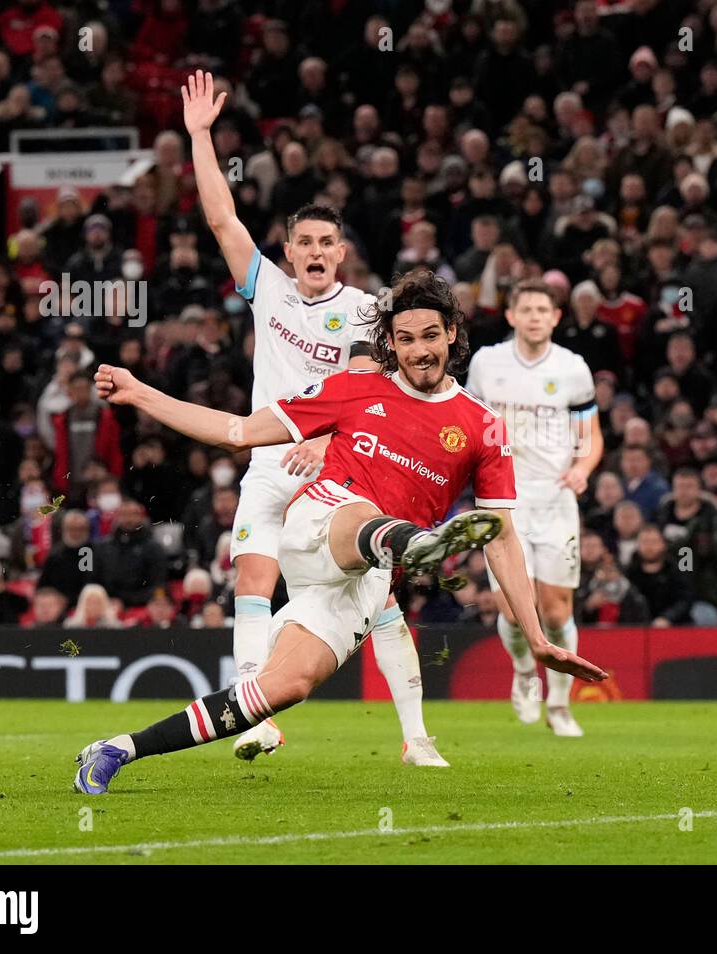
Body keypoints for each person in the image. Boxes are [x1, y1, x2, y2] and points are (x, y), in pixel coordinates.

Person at [74, 267, 606, 794]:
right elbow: (237, 432)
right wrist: (141, 393)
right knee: (364, 517)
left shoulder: (483, 424)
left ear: (451, 334)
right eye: (404, 339)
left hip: (364, 578)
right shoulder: (354, 387)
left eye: (429, 336)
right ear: (390, 345)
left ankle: (117, 750)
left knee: (278, 690)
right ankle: (418, 545)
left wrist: (536, 638)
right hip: (323, 522)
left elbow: (502, 537)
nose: (419, 350)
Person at [180, 71, 442, 767]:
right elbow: (219, 220)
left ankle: (417, 739)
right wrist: (201, 136)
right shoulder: (265, 287)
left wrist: (324, 442)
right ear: (289, 250)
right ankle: (257, 717)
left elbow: (361, 381)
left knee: (379, 600)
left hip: (343, 466)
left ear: (341, 253)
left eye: (330, 242)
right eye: (307, 243)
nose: (319, 252)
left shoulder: (365, 309)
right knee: (252, 581)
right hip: (273, 460)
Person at [466, 279, 603, 737]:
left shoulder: (573, 369)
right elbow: (468, 422)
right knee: (510, 608)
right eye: (526, 309)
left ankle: (561, 704)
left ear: (556, 317)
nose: (535, 317)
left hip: (555, 501)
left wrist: (583, 466)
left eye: (543, 310)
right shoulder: (487, 364)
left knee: (557, 612)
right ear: (512, 316)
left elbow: (591, 434)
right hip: (502, 501)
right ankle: (525, 674)